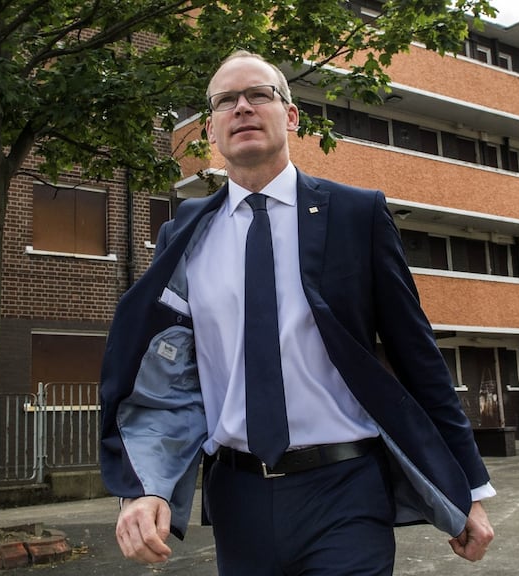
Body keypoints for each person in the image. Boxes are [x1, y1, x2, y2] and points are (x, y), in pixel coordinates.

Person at [98, 50, 495, 575]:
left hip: (347, 489)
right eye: (225, 101)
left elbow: (418, 357)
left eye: (258, 95)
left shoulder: (357, 214)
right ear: (211, 132)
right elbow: (171, 377)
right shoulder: (182, 235)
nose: (242, 108)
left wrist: (465, 486)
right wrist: (144, 488)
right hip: (237, 495)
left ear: (289, 116)